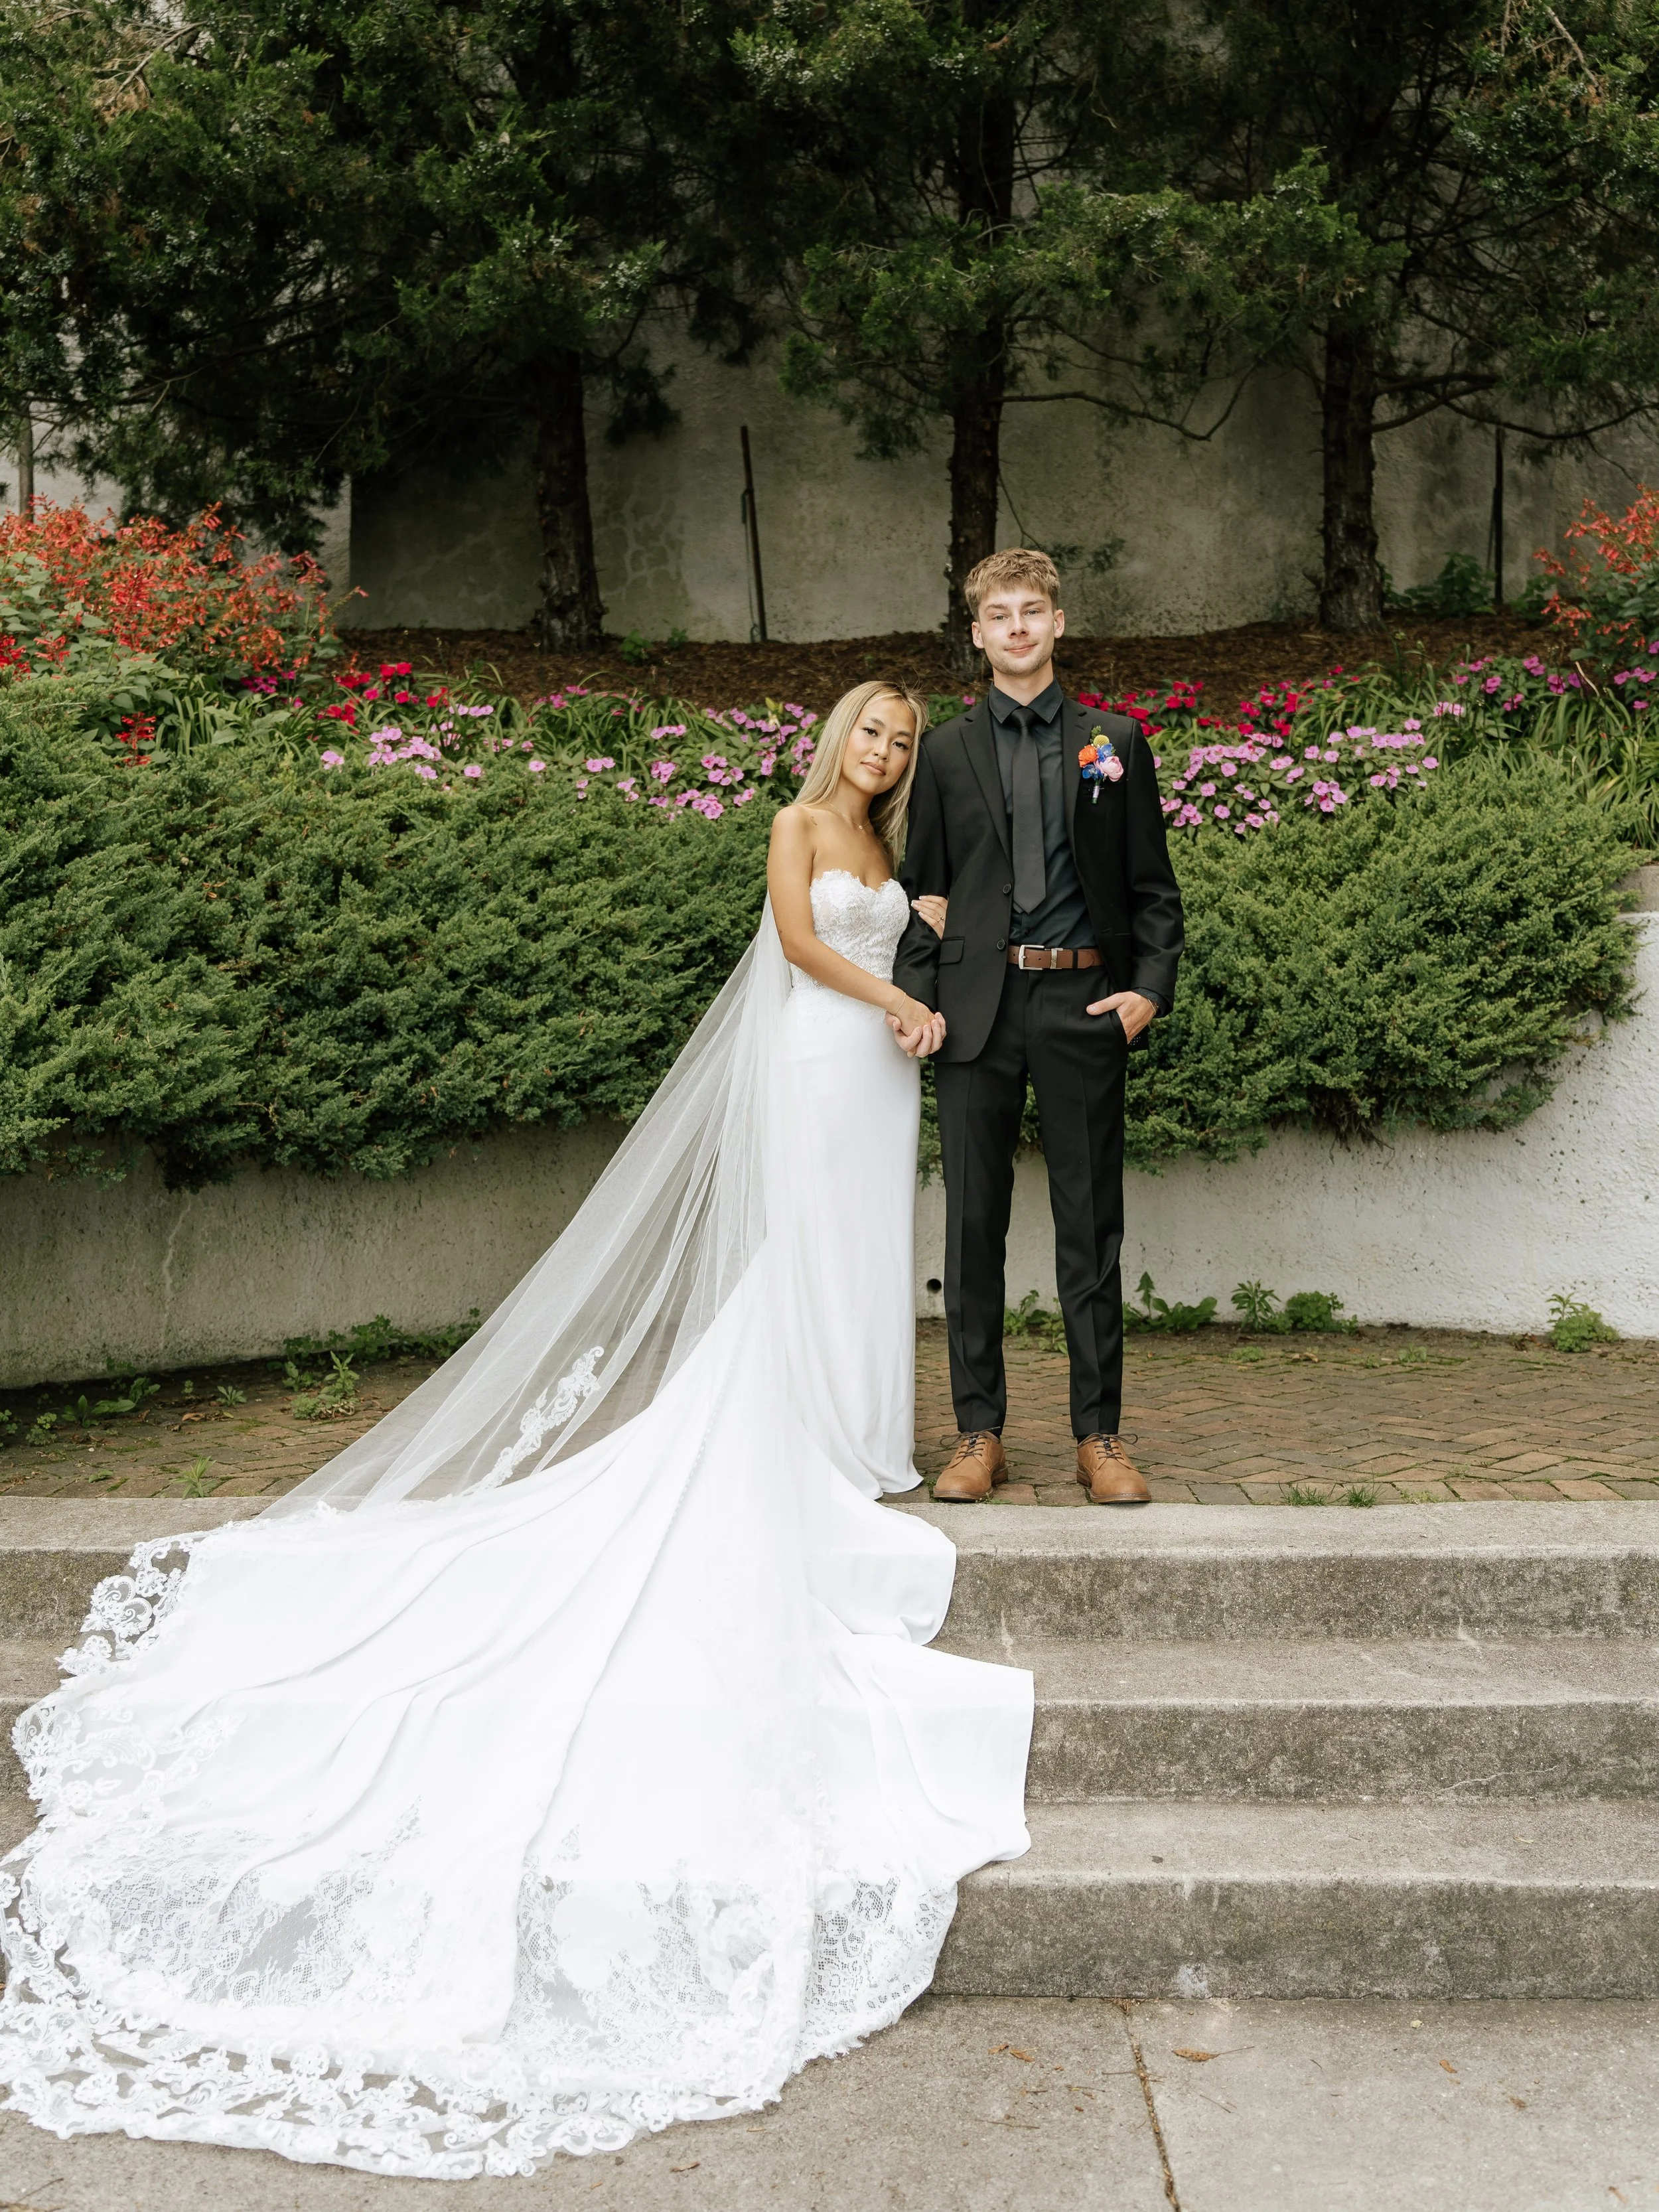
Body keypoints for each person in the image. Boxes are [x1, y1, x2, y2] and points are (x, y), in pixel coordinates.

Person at [0, 681, 1033, 2180]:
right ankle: (794, 1431)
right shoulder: (799, 823)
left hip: (881, 1078)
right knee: (804, 1254)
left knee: (867, 1258)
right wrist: (894, 996)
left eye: (895, 739)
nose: (878, 755)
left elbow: (883, 923)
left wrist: (920, 944)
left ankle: (854, 1437)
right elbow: (803, 950)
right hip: (827, 1058)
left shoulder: (886, 841)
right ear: (832, 739)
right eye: (866, 733)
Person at [893, 550, 1184, 1505]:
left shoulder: (1116, 742)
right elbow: (922, 893)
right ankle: (980, 1436)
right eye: (999, 615)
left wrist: (1149, 989)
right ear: (977, 633)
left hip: (1081, 1007)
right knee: (973, 1230)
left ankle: (1099, 1439)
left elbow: (1152, 888)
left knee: (1088, 1229)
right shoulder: (942, 752)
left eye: (1032, 612)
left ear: (1057, 624)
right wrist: (917, 998)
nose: (1016, 628)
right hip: (975, 1015)